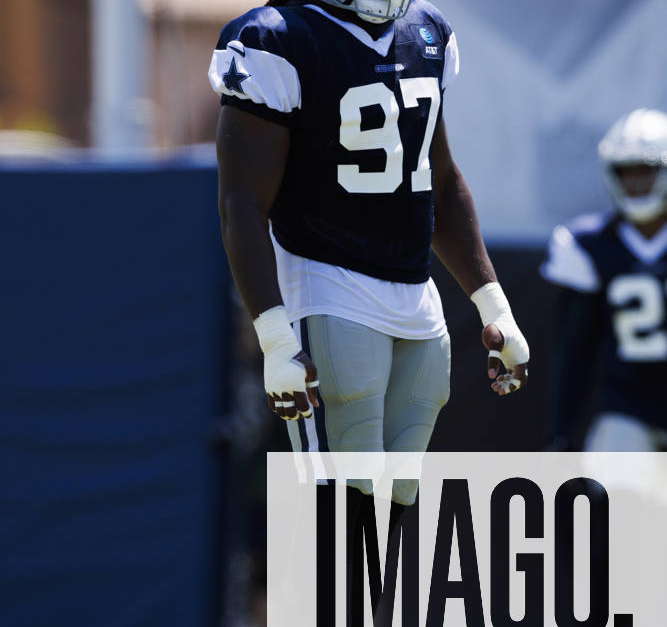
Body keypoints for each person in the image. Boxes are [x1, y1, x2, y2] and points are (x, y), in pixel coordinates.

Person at [210, 0, 529, 506]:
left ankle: (385, 591)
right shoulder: (276, 37)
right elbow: (241, 204)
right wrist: (274, 337)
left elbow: (439, 181)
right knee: (344, 500)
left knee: (401, 495)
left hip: (416, 293)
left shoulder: (426, 30)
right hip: (324, 281)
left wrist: (494, 307)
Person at [542, 108, 667, 452]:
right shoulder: (588, 244)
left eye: (647, 170)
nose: (636, 182)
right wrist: (561, 430)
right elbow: (574, 348)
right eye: (626, 172)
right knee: (617, 479)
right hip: (628, 407)